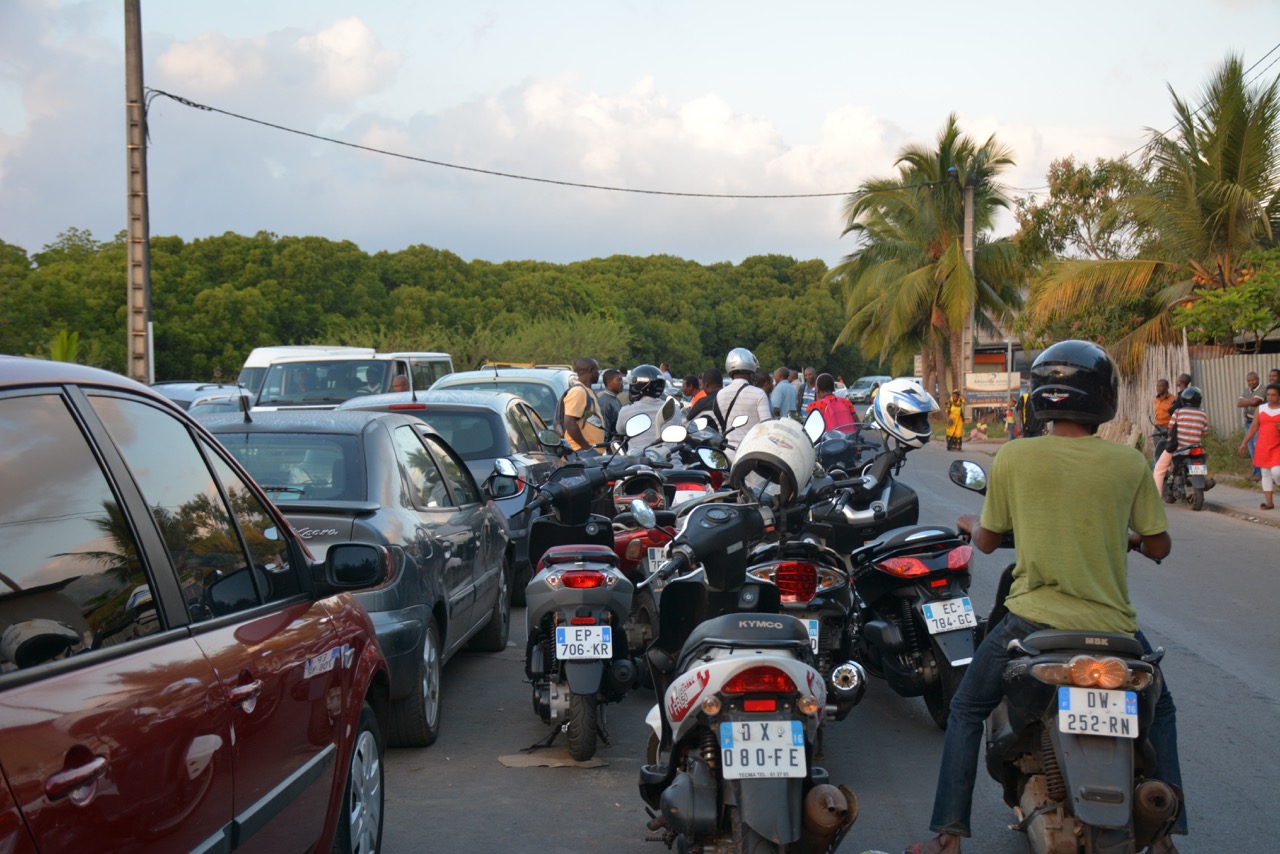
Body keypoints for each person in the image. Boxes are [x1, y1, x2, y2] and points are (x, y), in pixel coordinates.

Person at [905, 340, 1183, 854]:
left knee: (966, 709)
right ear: (1104, 397)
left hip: (1032, 624)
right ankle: (1167, 835)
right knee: (1160, 709)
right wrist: (1131, 539)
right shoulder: (1129, 463)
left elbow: (987, 541)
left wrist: (969, 523)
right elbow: (1161, 545)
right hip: (1115, 630)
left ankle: (947, 837)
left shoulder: (1014, 456)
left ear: (1039, 397)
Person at [714, 348, 773, 460]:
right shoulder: (759, 393)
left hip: (728, 454)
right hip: (752, 455)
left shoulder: (720, 394)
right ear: (750, 369)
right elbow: (766, 426)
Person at [1153, 386, 1209, 495]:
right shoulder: (1203, 414)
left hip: (1179, 447)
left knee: (1159, 469)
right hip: (1196, 447)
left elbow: (1170, 429)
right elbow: (1204, 432)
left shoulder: (1178, 412)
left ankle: (1156, 497)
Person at [617, 364, 682, 449]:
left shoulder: (626, 411)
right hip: (671, 461)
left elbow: (620, 431)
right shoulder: (674, 409)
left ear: (638, 386)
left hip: (639, 460)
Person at [1239, 382, 1280, 510]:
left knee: (1276, 471)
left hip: (1277, 446)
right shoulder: (1261, 409)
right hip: (1263, 446)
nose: (1270, 397)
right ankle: (1269, 503)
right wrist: (1244, 442)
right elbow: (1253, 427)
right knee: (1266, 474)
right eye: (1268, 394)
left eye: (1274, 395)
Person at [556, 357, 605, 456]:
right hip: (581, 451)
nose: (598, 373)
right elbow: (569, 422)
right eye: (597, 370)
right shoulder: (578, 391)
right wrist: (586, 447)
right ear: (591, 370)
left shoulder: (587, 391)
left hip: (590, 450)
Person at [1238, 371, 1264, 481]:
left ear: (1258, 379)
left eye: (1253, 380)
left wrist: (1247, 401)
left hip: (1258, 423)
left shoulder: (1263, 389)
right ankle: (1256, 473)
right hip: (1248, 422)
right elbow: (1239, 403)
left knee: (1258, 447)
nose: (1251, 382)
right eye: (1249, 380)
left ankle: (1261, 473)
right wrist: (1251, 401)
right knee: (1252, 449)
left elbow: (1255, 402)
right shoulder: (1246, 390)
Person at [599, 368, 624, 440]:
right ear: (609, 382)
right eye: (618, 380)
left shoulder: (616, 399)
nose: (622, 383)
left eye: (621, 380)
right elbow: (604, 429)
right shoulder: (605, 402)